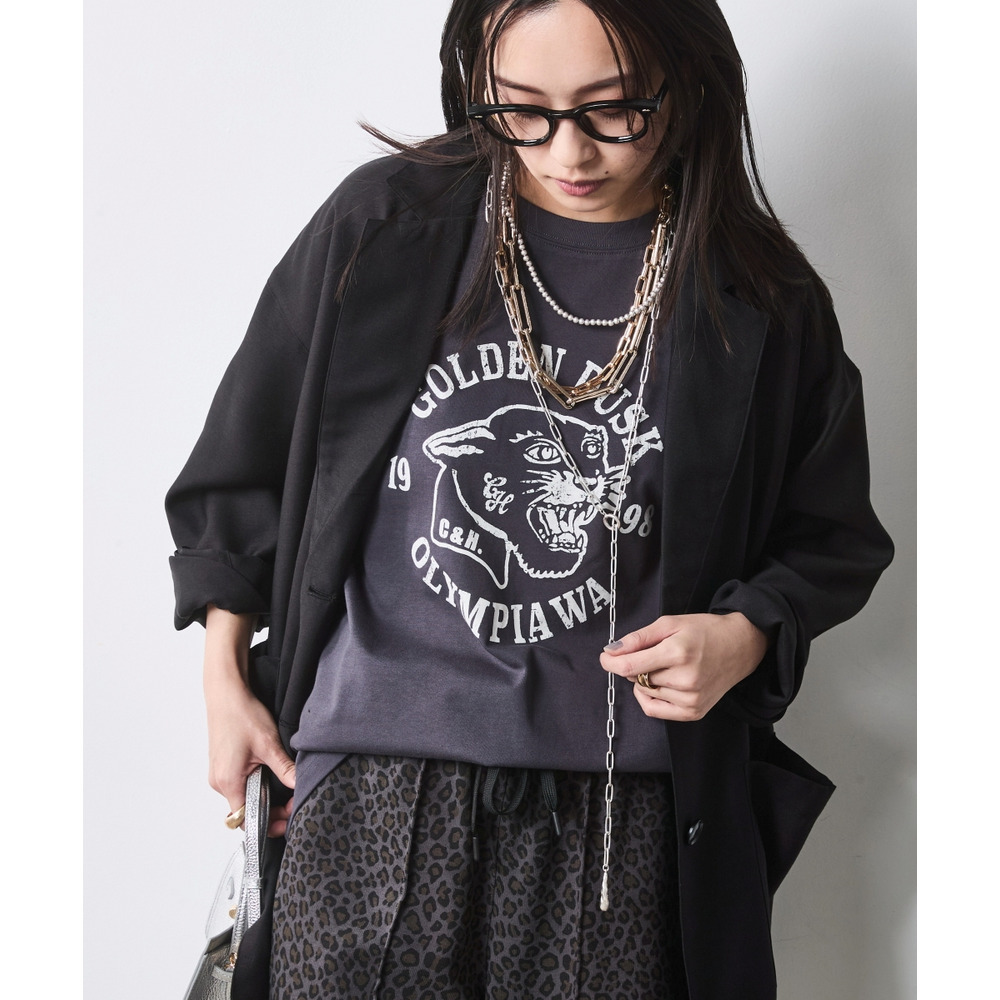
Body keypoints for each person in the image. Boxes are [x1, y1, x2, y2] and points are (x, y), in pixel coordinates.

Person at [166, 1, 893, 998]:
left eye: (613, 110)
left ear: (687, 84)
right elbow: (240, 463)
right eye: (522, 111)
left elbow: (831, 536)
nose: (567, 151)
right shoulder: (388, 227)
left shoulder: (759, 299)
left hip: (622, 807)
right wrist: (223, 681)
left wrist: (744, 634)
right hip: (375, 783)